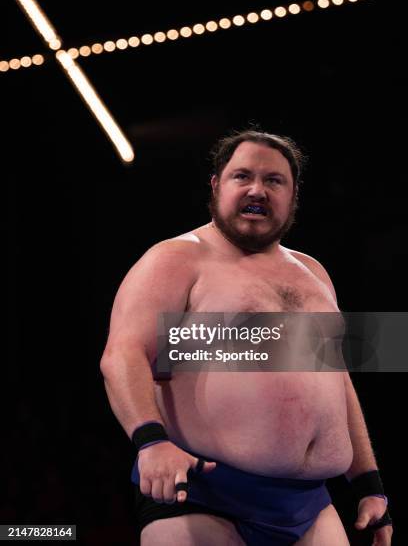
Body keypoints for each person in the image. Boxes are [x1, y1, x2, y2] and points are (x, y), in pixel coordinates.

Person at [100, 130, 393, 545]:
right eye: (243, 176)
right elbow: (122, 356)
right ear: (217, 185)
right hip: (205, 495)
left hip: (311, 503)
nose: (257, 189)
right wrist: (150, 442)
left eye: (274, 180)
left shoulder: (314, 273)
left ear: (293, 195)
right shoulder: (176, 259)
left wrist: (368, 484)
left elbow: (336, 382)